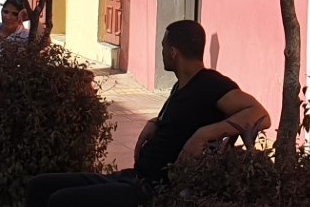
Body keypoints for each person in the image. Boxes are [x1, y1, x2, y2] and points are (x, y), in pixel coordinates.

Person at [25, 20, 271, 207]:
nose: (162, 52)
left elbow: (261, 114)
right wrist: (156, 121)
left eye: (163, 47)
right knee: (39, 186)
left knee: (62, 200)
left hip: (155, 190)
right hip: (134, 177)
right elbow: (180, 120)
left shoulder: (210, 84)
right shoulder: (181, 85)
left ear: (173, 52)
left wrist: (205, 133)